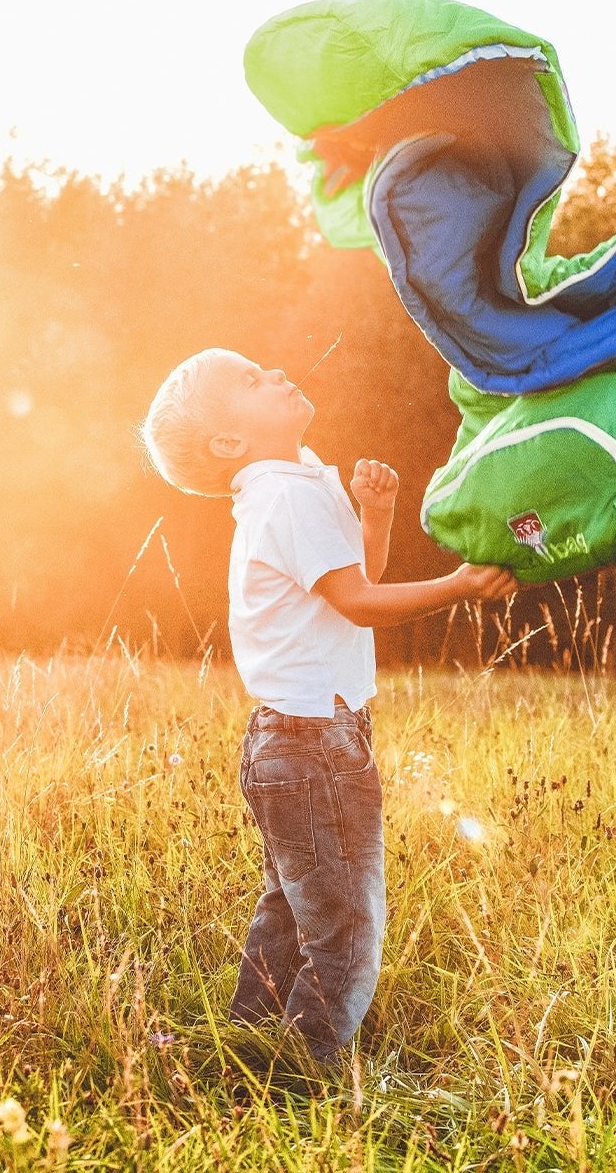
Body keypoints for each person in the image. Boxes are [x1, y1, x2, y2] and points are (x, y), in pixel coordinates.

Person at [139, 346, 517, 1065]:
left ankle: (249, 1047)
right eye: (253, 378)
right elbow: (360, 602)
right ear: (228, 442)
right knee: (347, 923)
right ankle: (303, 1070)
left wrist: (378, 514)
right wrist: (459, 585)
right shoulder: (285, 493)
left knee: (288, 909)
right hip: (315, 743)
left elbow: (350, 582)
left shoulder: (298, 480)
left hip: (293, 738)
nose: (278, 372)